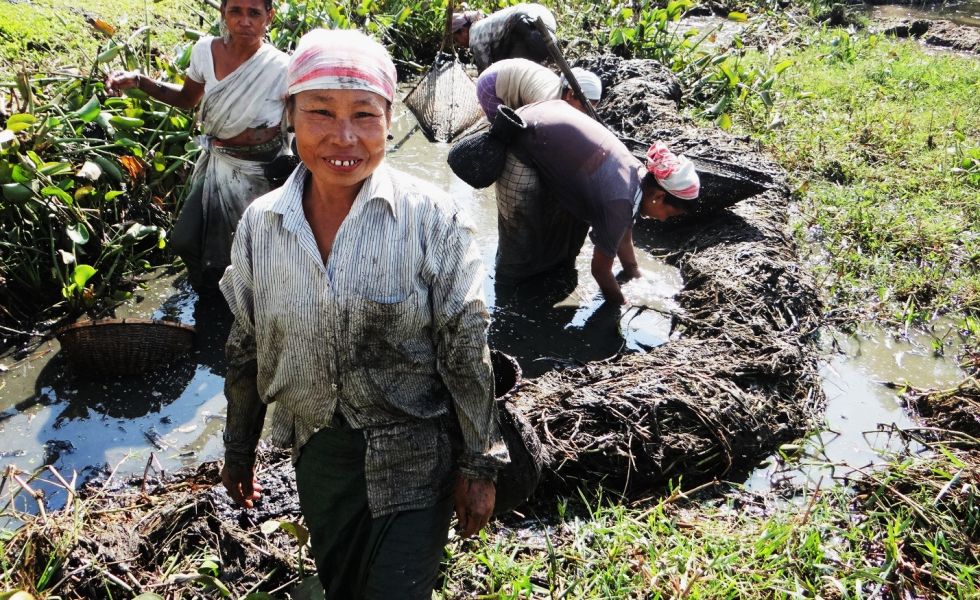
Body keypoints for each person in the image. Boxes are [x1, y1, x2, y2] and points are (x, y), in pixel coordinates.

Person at [218, 28, 509, 599]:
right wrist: (238, 446)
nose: (343, 137)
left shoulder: (433, 220)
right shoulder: (261, 224)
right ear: (290, 117)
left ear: (389, 119)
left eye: (365, 115)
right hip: (319, 455)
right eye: (321, 113)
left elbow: (463, 346)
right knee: (341, 581)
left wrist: (479, 464)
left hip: (415, 458)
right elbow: (246, 347)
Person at [106, 0, 289, 293]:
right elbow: (186, 99)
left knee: (260, 251)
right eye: (235, 12)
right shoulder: (205, 50)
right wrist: (140, 80)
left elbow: (300, 122)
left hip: (262, 173)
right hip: (217, 162)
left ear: (269, 16)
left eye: (254, 13)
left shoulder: (282, 68)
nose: (244, 21)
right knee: (185, 240)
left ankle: (255, 304)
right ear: (223, 14)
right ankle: (210, 294)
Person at [496, 99, 700, 305]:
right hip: (520, 133)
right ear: (658, 197)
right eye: (670, 214)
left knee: (561, 241)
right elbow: (600, 272)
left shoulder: (636, 175)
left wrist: (632, 270)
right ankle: (504, 294)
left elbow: (623, 231)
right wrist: (620, 304)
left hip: (544, 120)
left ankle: (539, 279)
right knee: (520, 237)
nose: (664, 220)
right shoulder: (620, 203)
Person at [475, 58, 602, 123]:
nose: (587, 113)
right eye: (584, 107)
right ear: (570, 94)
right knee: (504, 130)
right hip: (489, 83)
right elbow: (534, 130)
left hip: (506, 70)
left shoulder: (560, 96)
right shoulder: (548, 102)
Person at [452, 3, 557, 73]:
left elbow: (486, 72)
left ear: (463, 30)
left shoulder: (475, 38)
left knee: (510, 73)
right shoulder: (482, 25)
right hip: (546, 19)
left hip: (526, 26)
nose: (459, 44)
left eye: (457, 39)